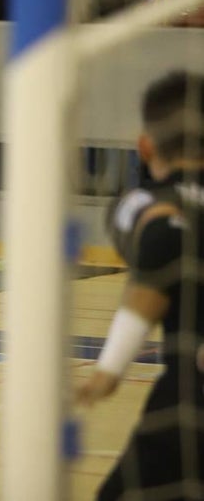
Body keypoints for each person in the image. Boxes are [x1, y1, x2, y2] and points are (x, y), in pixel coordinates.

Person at [77, 70, 204, 501]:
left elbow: (152, 278)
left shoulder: (149, 208)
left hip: (192, 395)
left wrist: (109, 372)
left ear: (145, 145)